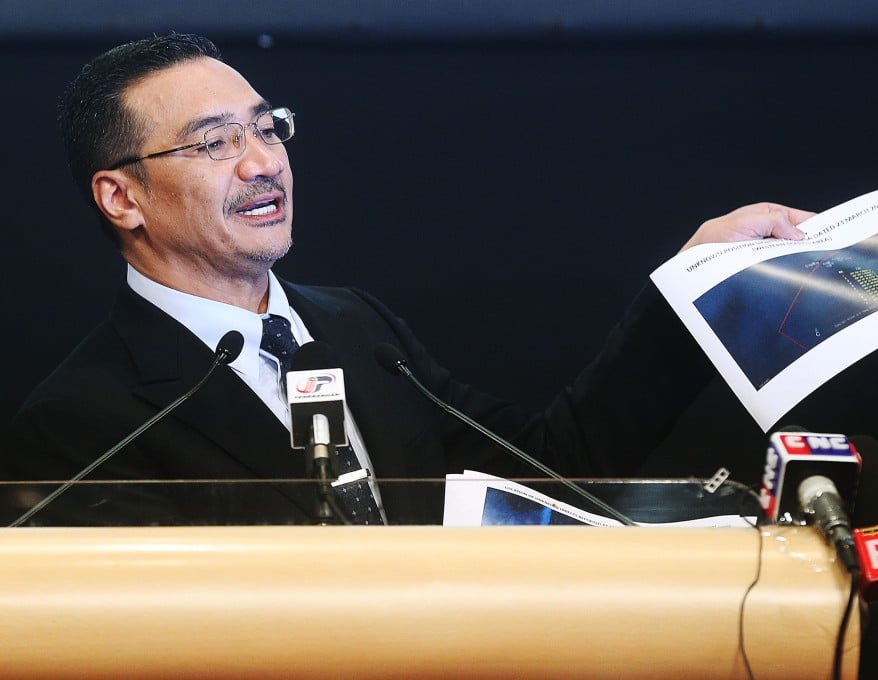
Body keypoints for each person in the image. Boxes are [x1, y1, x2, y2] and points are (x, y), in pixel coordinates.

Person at [3, 33, 812, 526]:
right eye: (214, 143)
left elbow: (548, 471)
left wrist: (693, 285)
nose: (264, 164)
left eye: (266, 127)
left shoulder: (356, 328)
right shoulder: (79, 427)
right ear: (122, 197)